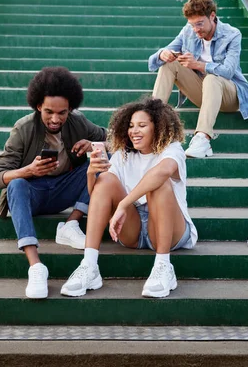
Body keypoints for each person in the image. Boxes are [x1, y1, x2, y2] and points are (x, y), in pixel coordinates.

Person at [61, 97, 198, 298]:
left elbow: (162, 172)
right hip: (132, 229)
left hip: (170, 229)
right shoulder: (123, 153)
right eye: (131, 126)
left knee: (158, 184)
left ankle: (163, 267)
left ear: (158, 127)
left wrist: (124, 204)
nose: (134, 131)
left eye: (142, 125)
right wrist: (91, 175)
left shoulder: (172, 148)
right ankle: (89, 266)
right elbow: (99, 197)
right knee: (105, 179)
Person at [0, 67, 106, 299]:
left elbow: (110, 137)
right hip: (33, 194)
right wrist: (28, 170)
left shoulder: (78, 122)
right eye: (49, 112)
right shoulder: (23, 128)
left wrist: (92, 144)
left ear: (70, 109)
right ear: (37, 106)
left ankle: (71, 225)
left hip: (64, 189)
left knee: (102, 159)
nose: (55, 119)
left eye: (62, 113)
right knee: (16, 184)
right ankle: (35, 266)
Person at [148, 0, 248, 159]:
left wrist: (198, 65)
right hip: (203, 93)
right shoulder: (188, 31)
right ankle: (151, 123)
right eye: (192, 25)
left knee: (212, 77)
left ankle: (203, 138)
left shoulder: (232, 34)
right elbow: (157, 57)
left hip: (230, 95)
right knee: (170, 64)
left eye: (199, 24)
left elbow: (228, 71)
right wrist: (163, 54)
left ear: (212, 16)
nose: (196, 30)